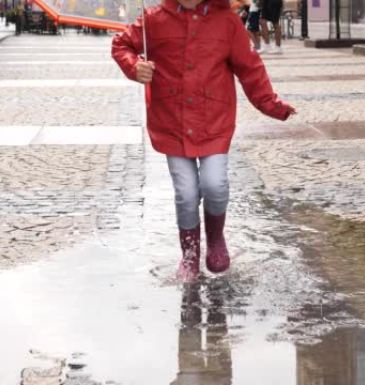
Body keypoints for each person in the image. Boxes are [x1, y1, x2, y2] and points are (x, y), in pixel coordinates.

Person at [111, 0, 296, 282]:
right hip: (172, 121)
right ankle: (189, 253)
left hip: (214, 120)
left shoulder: (227, 22)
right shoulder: (154, 19)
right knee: (185, 194)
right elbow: (122, 45)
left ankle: (216, 237)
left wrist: (271, 104)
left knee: (215, 184)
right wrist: (134, 66)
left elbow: (250, 68)